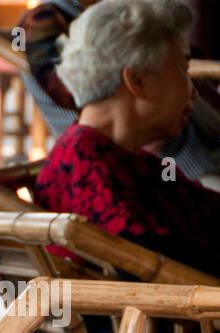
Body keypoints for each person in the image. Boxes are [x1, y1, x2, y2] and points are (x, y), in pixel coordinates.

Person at [34, 0, 220, 277]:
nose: (192, 91)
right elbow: (162, 260)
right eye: (183, 70)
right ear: (138, 80)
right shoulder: (86, 166)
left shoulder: (121, 157)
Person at [17, 0, 220, 183]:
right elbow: (91, 96)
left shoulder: (127, 12)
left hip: (178, 152)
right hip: (165, 161)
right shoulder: (41, 24)